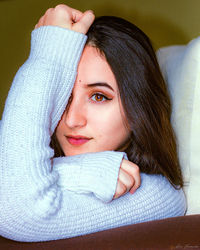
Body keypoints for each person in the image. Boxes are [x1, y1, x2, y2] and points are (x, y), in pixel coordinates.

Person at [0, 4, 186, 242]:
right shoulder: (11, 147)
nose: (72, 119)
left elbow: (17, 209)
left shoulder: (158, 195)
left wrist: (44, 57)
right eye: (63, 95)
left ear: (140, 105)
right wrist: (80, 171)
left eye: (99, 96)